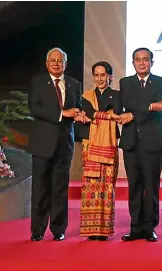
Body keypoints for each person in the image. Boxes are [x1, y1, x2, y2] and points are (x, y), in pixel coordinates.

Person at [28, 47, 83, 241]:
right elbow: (34, 108)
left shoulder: (74, 84)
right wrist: (62, 114)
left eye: (60, 60)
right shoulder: (38, 82)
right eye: (53, 60)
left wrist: (81, 115)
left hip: (64, 144)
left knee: (60, 189)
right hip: (42, 144)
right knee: (40, 189)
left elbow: (78, 109)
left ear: (65, 64)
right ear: (46, 63)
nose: (56, 63)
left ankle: (58, 229)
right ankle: (38, 230)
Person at [119, 47, 162, 242]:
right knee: (134, 186)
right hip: (131, 141)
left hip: (153, 141)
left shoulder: (161, 82)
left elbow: (156, 105)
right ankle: (135, 227)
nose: (142, 63)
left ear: (152, 62)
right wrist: (148, 106)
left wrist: (134, 112)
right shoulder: (125, 83)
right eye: (138, 60)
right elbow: (127, 101)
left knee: (151, 186)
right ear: (133, 63)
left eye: (146, 59)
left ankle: (150, 227)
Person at [78, 61, 121, 241]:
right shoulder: (86, 96)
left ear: (110, 77)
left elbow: (117, 111)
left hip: (109, 146)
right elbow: (86, 112)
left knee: (107, 187)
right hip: (90, 144)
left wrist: (95, 115)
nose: (99, 79)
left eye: (103, 75)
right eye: (96, 75)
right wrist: (107, 115)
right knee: (90, 187)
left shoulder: (117, 95)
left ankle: (104, 231)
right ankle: (91, 230)